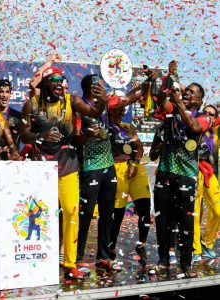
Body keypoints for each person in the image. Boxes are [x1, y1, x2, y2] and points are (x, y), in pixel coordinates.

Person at [20, 67, 108, 278]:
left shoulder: (72, 101)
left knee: (70, 212)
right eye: (54, 80)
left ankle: (69, 263)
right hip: (40, 168)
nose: (59, 84)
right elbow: (24, 135)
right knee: (39, 216)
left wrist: (102, 100)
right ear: (44, 84)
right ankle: (38, 260)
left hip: (68, 166)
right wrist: (41, 135)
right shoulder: (31, 105)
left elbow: (95, 113)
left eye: (62, 80)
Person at [153, 75, 211, 277]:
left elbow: (195, 127)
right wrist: (163, 83)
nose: (186, 93)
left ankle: (186, 264)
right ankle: (163, 260)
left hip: (187, 176)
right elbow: (161, 101)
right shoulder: (172, 111)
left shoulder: (205, 116)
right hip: (165, 173)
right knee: (163, 221)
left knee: (186, 222)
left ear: (199, 100)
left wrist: (178, 102)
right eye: (185, 91)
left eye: (191, 92)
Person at [107, 104, 151, 268]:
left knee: (145, 209)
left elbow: (139, 147)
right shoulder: (105, 126)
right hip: (118, 169)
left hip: (136, 167)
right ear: (110, 110)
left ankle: (142, 244)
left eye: (123, 110)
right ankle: (111, 249)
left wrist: (134, 162)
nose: (121, 113)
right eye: (118, 109)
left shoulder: (128, 127)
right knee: (117, 214)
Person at [192, 104, 220, 262]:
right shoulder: (193, 127)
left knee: (218, 211)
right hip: (193, 172)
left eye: (212, 114)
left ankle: (206, 242)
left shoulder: (215, 132)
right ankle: (195, 249)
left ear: (216, 118)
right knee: (195, 214)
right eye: (206, 113)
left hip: (209, 173)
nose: (208, 116)